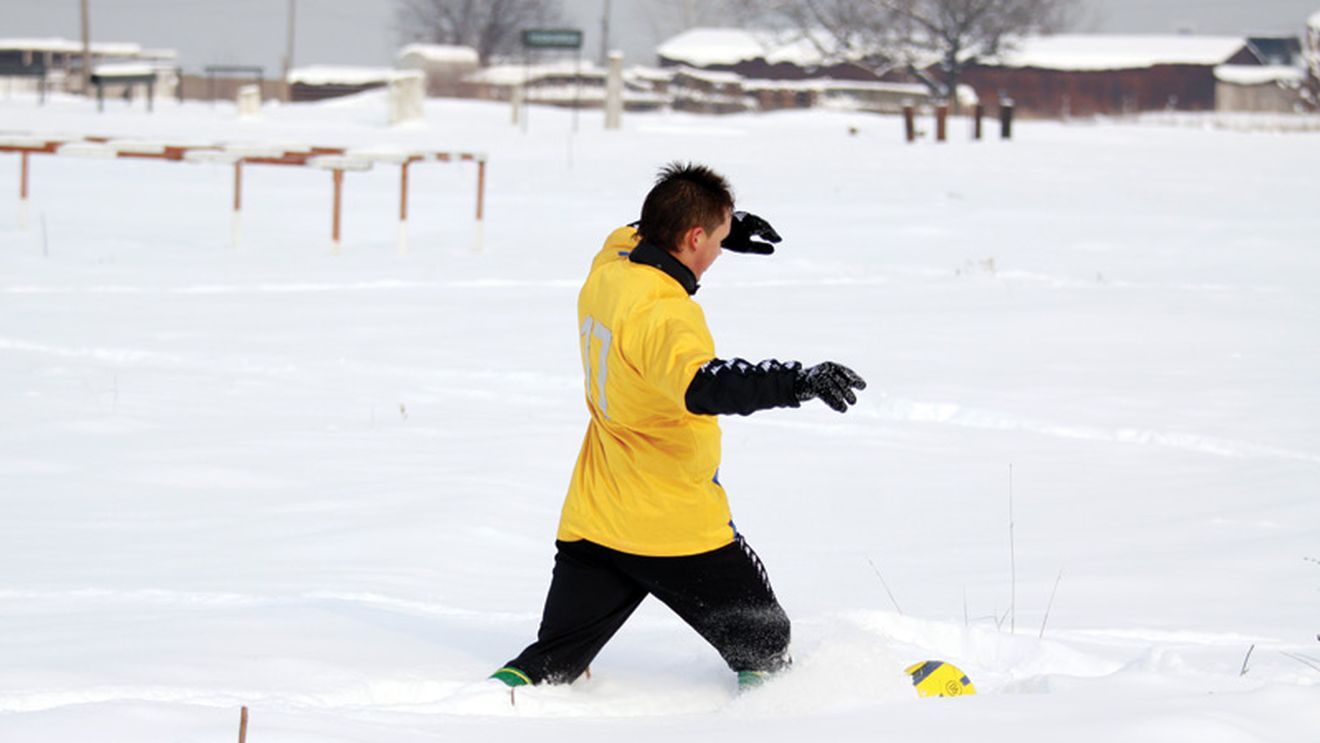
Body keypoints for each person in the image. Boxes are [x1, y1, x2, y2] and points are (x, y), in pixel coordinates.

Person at [491, 162, 866, 694]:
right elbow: (704, 386)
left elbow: (637, 229)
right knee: (765, 648)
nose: (716, 252)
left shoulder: (611, 268)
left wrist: (725, 224)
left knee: (548, 663)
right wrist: (797, 381)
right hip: (676, 527)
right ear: (693, 237)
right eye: (713, 238)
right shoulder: (664, 314)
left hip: (595, 518)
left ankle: (475, 710)